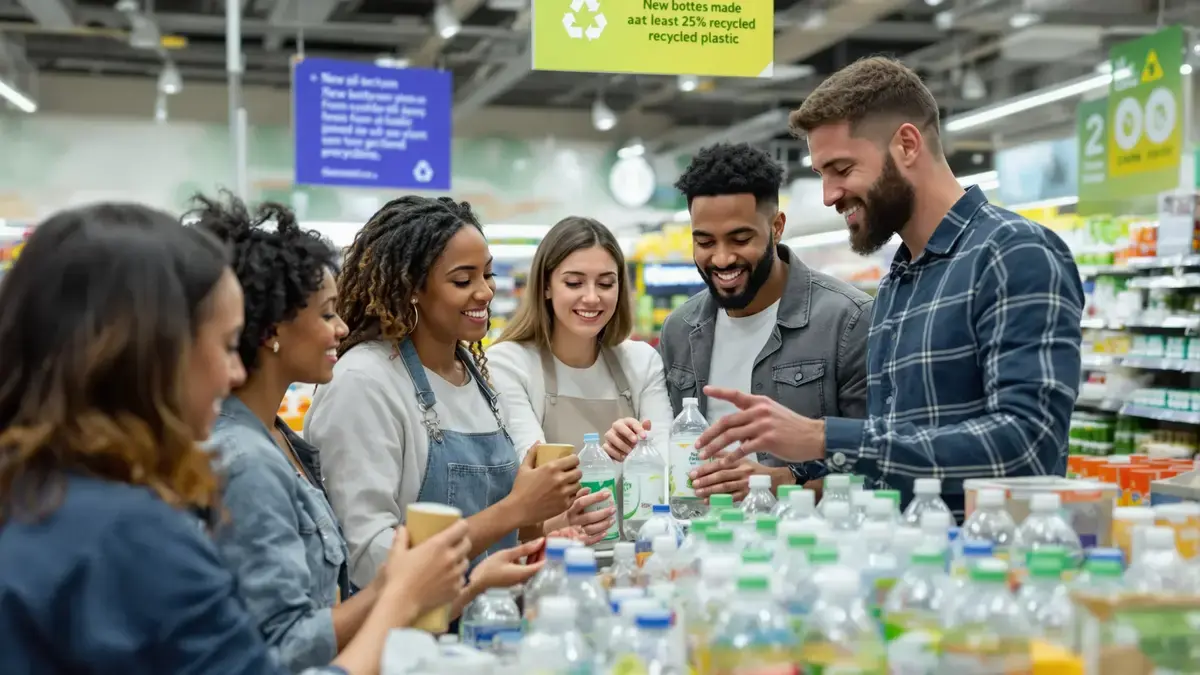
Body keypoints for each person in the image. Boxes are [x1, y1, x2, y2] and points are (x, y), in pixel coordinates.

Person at [0, 203, 471, 675]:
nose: (234, 371)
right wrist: (396, 600)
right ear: (150, 356)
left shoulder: (37, 491)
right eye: (226, 346)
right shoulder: (132, 528)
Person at [698, 57, 1084, 519]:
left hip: (992, 562)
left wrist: (823, 436)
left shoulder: (1014, 254)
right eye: (822, 174)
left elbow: (1028, 446)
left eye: (841, 168)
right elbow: (896, 446)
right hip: (906, 557)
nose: (829, 195)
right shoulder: (901, 280)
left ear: (906, 144)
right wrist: (796, 475)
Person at [193, 195, 544, 672]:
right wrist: (506, 519)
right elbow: (292, 636)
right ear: (270, 329)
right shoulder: (254, 454)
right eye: (325, 314)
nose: (342, 329)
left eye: (488, 275)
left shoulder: (278, 440)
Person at [305, 196, 582, 590]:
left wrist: (538, 528)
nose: (485, 292)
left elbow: (498, 539)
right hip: (404, 640)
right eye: (462, 280)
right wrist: (514, 509)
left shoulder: (474, 374)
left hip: (488, 622)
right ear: (412, 288)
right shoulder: (364, 382)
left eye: (488, 275)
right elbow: (368, 558)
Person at [653, 142, 872, 501]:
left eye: (740, 239)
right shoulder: (679, 330)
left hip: (807, 546)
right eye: (705, 242)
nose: (722, 258)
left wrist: (781, 481)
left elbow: (876, 466)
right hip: (702, 538)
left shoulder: (847, 321)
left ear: (776, 227)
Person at [488, 216, 674, 540]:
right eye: (574, 283)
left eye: (605, 283)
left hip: (635, 554)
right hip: (551, 559)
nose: (592, 298)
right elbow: (537, 482)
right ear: (545, 286)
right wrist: (603, 459)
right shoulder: (509, 363)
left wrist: (639, 453)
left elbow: (669, 472)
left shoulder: (641, 361)